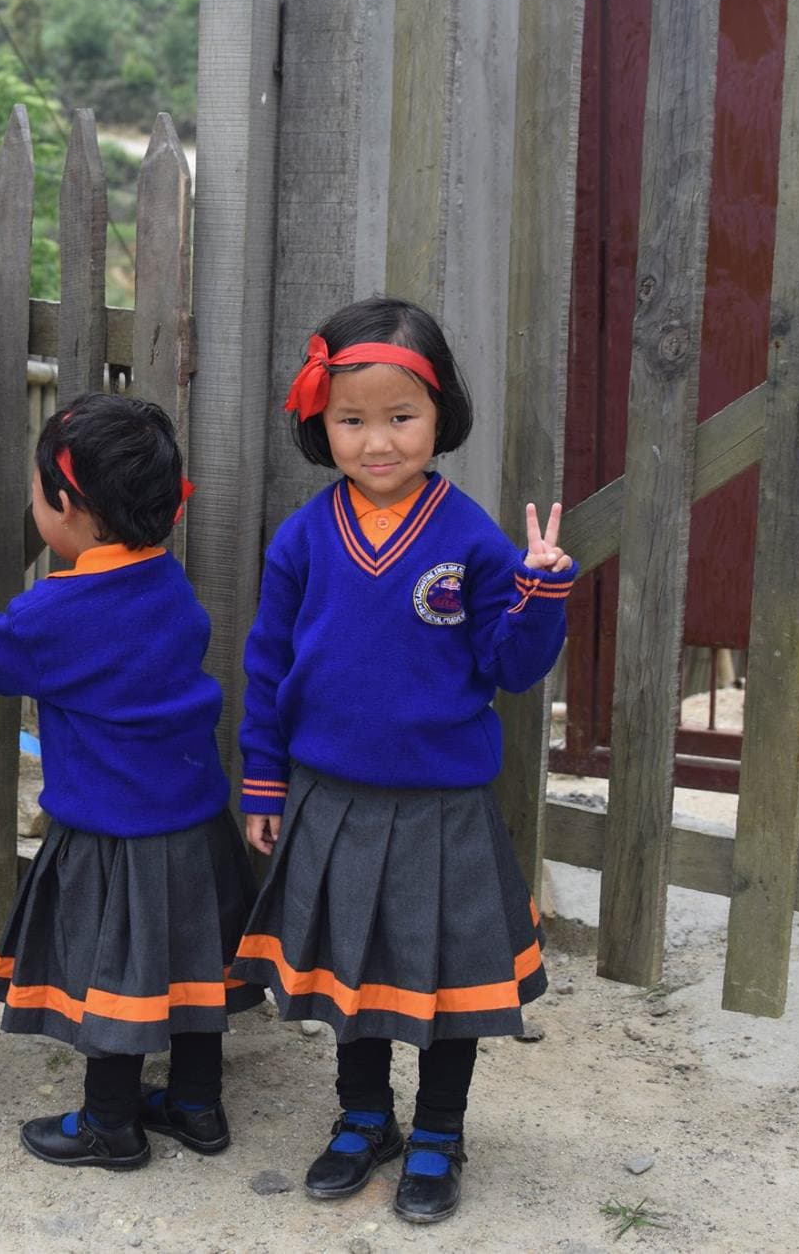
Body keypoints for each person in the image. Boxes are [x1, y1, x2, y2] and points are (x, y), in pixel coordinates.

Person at [232, 296, 577, 1224]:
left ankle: (440, 1130)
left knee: (445, 979)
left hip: (442, 807)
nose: (376, 442)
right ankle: (363, 1118)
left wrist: (539, 592)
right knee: (355, 972)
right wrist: (263, 777)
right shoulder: (305, 537)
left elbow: (510, 666)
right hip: (331, 797)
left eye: (400, 417)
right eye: (352, 420)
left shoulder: (471, 537)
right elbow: (268, 665)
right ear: (321, 422)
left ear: (441, 416)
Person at [0, 394, 261, 1170]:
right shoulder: (169, 586)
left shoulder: (64, 607)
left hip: (114, 831)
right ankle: (196, 1105)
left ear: (67, 507)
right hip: (195, 823)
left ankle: (110, 1123)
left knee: (117, 974)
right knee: (191, 966)